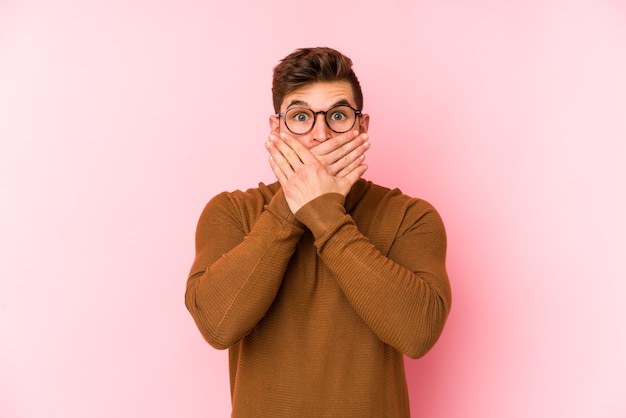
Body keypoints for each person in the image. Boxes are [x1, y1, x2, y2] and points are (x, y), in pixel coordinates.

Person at [185, 47, 451, 417]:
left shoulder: (410, 217)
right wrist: (292, 205)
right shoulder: (232, 212)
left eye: (338, 115)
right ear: (277, 128)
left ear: (362, 126)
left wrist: (323, 214)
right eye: (300, 117)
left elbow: (418, 333)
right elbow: (218, 325)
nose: (319, 134)